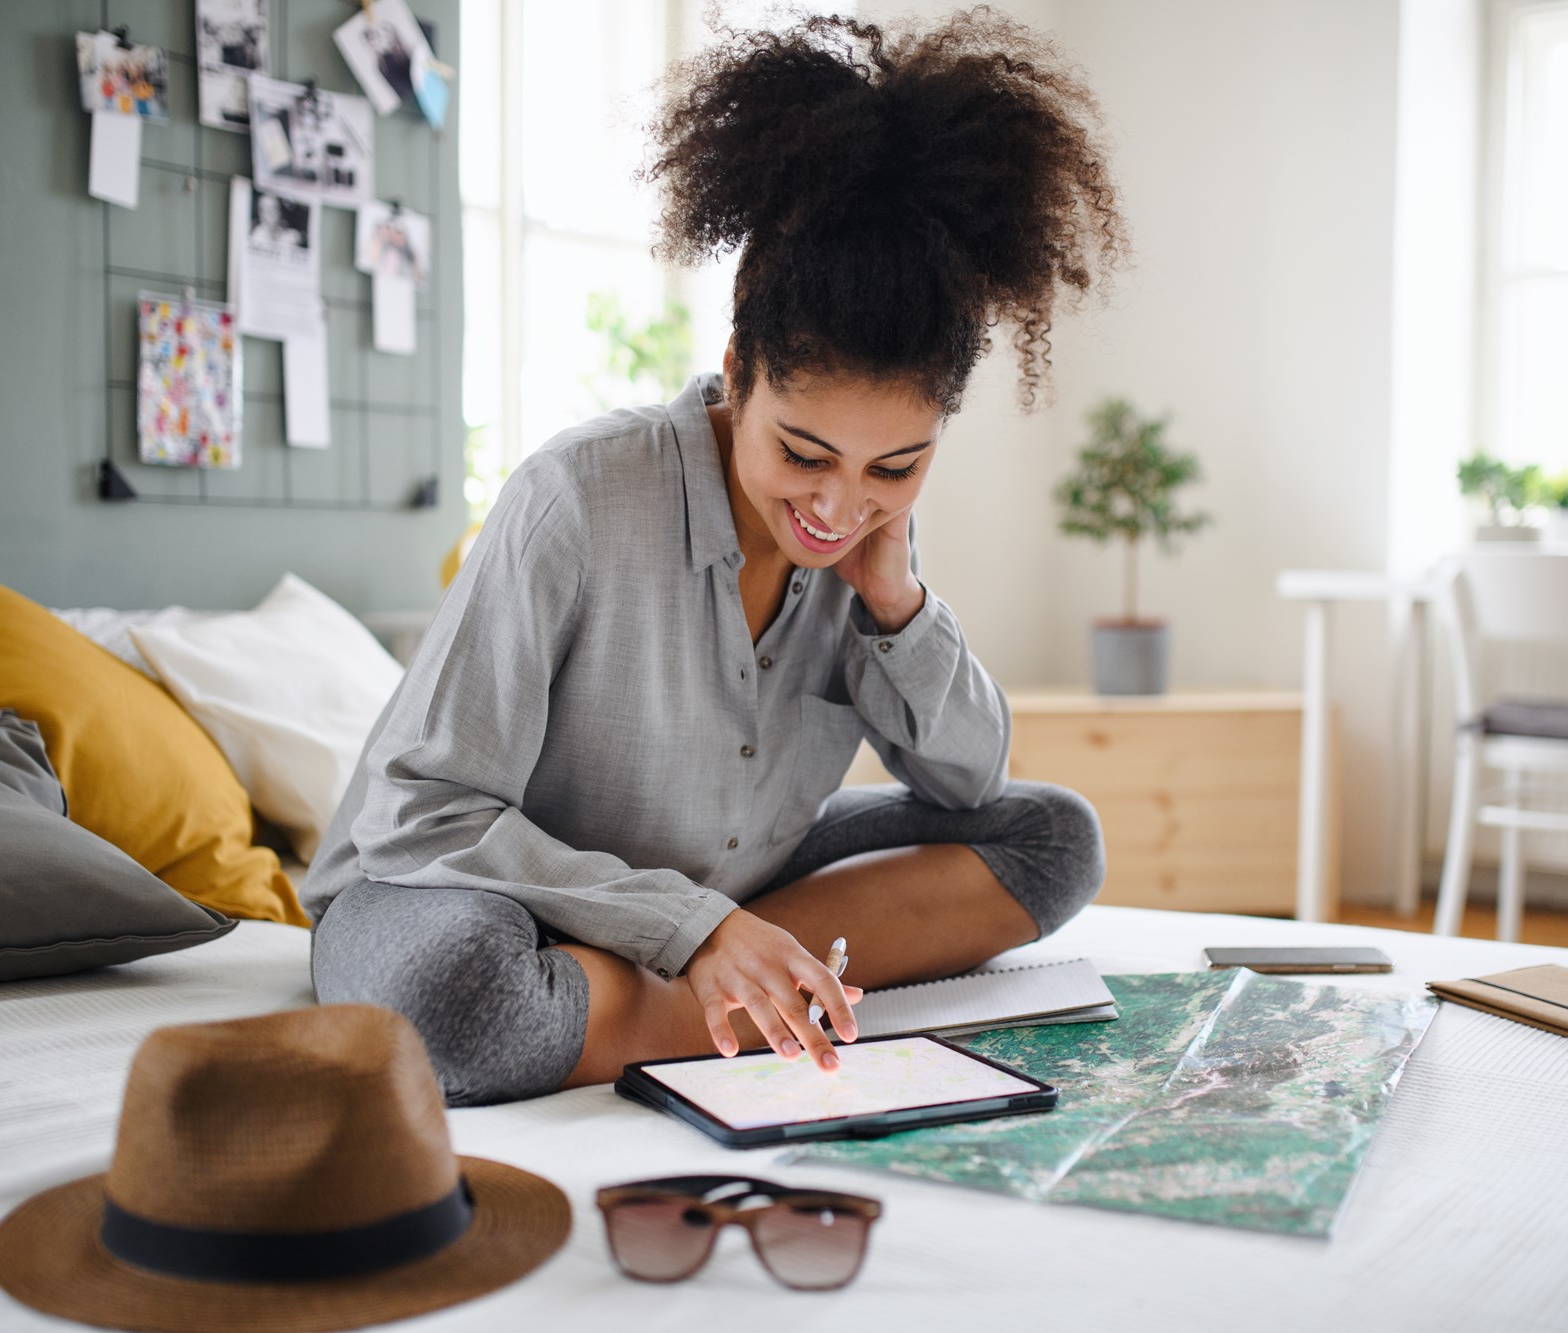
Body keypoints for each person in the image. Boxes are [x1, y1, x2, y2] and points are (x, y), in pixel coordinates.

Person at [304, 10, 1128, 1106]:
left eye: (897, 465)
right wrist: (693, 926)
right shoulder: (578, 496)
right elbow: (422, 814)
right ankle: (722, 987)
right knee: (460, 999)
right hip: (473, 887)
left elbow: (969, 783)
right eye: (803, 451)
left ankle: (679, 984)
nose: (838, 505)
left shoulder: (863, 537)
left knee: (1053, 835)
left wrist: (895, 600)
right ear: (738, 365)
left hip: (727, 868)